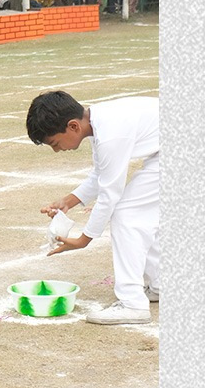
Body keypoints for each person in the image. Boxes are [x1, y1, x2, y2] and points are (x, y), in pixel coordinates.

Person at [26, 90, 159, 325]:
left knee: (127, 215)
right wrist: (68, 201)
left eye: (55, 143)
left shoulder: (110, 134)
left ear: (73, 126)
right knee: (139, 215)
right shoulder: (98, 123)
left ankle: (132, 304)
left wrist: (84, 239)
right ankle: (160, 285)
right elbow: (100, 175)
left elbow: (110, 194)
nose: (56, 150)